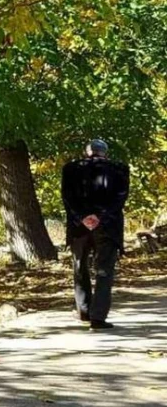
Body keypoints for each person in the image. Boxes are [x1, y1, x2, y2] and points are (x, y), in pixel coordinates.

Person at [61, 139, 129, 330]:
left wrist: (83, 217)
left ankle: (84, 310)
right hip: (108, 227)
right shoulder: (119, 169)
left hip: (78, 227)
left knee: (79, 268)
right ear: (105, 153)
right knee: (104, 271)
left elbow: (67, 196)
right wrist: (100, 217)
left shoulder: (71, 169)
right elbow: (120, 197)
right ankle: (98, 318)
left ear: (87, 152)